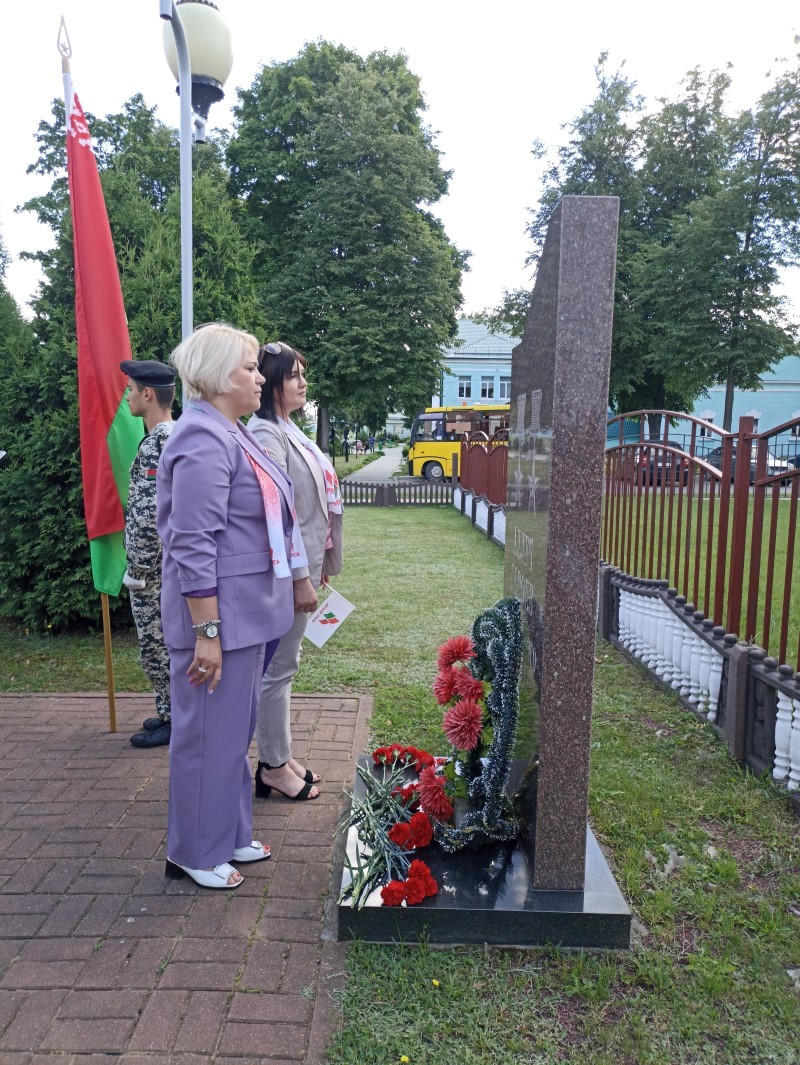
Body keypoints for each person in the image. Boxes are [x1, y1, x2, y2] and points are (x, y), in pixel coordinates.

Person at [158, 324, 305, 889]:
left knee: (230, 736)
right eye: (248, 368)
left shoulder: (230, 431)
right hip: (219, 621)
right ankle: (195, 851)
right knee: (205, 740)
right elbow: (192, 543)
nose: (258, 378)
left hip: (244, 616)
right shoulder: (202, 438)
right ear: (219, 376)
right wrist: (207, 633)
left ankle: (230, 831)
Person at [248, 341, 343, 801]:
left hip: (300, 565)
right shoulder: (266, 433)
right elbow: (280, 514)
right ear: (272, 384)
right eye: (293, 375)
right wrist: (300, 576)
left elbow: (313, 503)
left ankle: (280, 757)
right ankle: (271, 766)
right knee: (278, 668)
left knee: (286, 665)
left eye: (303, 373)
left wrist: (317, 563)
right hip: (285, 573)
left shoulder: (288, 427)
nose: (303, 383)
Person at [120, 358, 176, 749]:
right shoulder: (176, 434)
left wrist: (137, 570)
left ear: (148, 393)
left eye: (130, 390)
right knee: (166, 643)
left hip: (153, 570)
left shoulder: (159, 440)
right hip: (167, 566)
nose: (127, 397)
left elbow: (147, 513)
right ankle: (169, 709)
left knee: (156, 645)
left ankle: (174, 718)